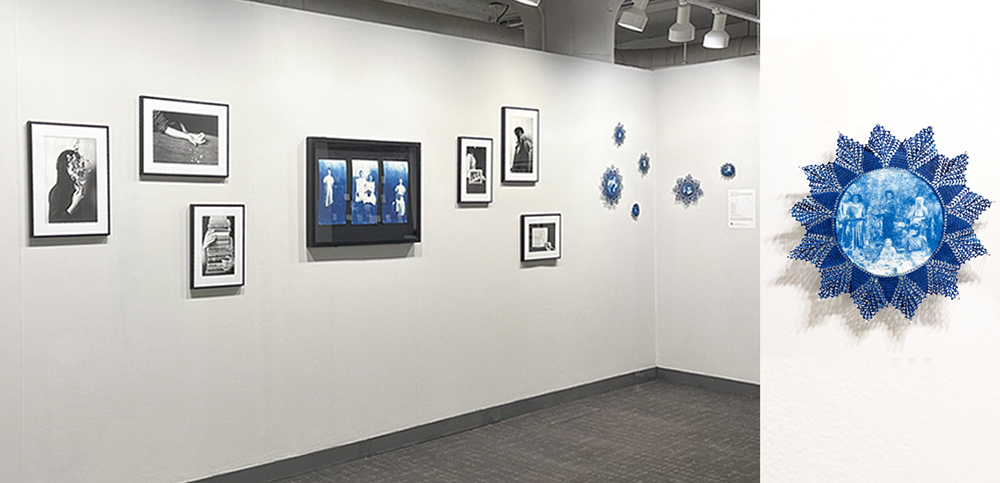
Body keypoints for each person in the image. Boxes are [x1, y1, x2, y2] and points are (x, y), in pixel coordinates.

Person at [48, 147, 97, 223]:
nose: (77, 168)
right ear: (65, 167)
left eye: (78, 164)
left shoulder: (77, 188)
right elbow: (54, 222)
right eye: (73, 165)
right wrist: (74, 204)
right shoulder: (57, 192)